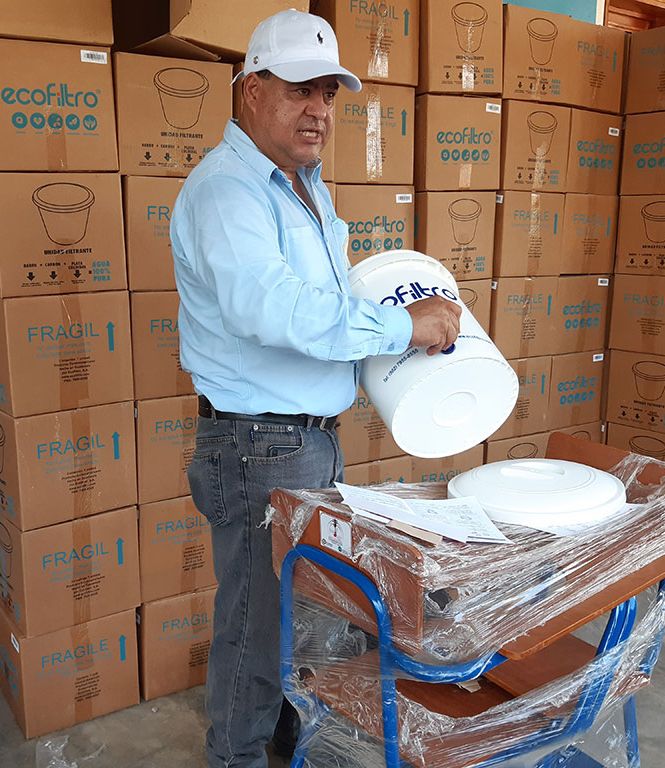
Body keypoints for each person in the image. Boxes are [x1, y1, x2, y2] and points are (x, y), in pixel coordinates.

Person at [170, 10, 461, 768]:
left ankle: (282, 740)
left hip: (301, 440)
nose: (319, 111)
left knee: (290, 618)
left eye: (328, 94)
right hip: (259, 444)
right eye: (301, 90)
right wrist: (401, 329)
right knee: (254, 630)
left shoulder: (302, 187)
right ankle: (235, 759)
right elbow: (268, 308)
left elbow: (323, 306)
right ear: (252, 91)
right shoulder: (230, 190)